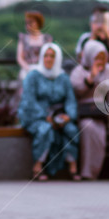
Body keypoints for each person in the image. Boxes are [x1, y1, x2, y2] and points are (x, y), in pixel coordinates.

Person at [19, 44, 79, 181]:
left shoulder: (63, 77)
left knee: (71, 129)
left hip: (58, 116)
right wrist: (45, 116)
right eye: (46, 55)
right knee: (45, 130)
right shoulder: (33, 76)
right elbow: (29, 100)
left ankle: (73, 165)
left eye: (52, 56)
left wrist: (68, 116)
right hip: (36, 116)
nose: (48, 59)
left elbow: (70, 100)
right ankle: (38, 165)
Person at [70, 40, 109, 180]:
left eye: (103, 58)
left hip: (104, 112)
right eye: (97, 58)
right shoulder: (78, 72)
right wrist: (91, 77)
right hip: (86, 113)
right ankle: (89, 172)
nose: (101, 61)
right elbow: (77, 90)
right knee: (89, 128)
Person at [17, 11, 53, 82]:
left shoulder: (47, 38)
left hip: (43, 71)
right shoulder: (23, 38)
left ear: (38, 23)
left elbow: (50, 56)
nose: (28, 25)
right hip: (27, 71)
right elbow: (19, 58)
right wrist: (28, 69)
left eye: (30, 22)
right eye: (26, 23)